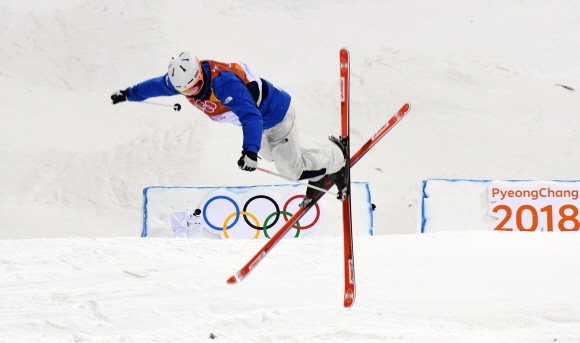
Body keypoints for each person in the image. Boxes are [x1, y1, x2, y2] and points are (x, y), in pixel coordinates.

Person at [111, 52, 346, 205]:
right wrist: (129, 94)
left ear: (200, 78)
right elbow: (157, 86)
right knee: (278, 158)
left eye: (193, 88)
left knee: (291, 171)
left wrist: (249, 152)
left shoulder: (223, 84)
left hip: (275, 117)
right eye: (185, 91)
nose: (190, 94)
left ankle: (338, 158)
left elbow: (250, 115)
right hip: (260, 125)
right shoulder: (182, 80)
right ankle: (320, 168)